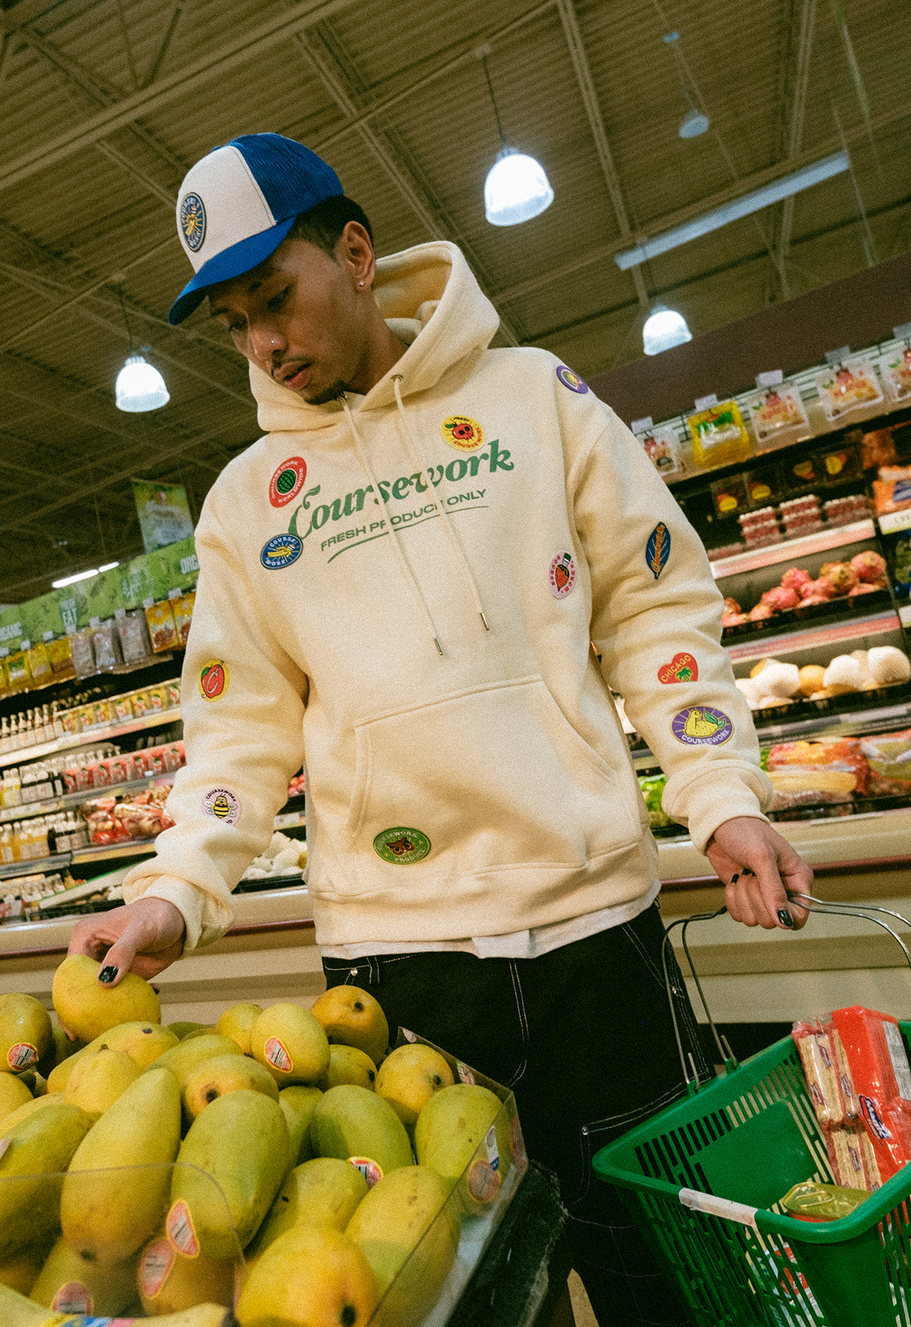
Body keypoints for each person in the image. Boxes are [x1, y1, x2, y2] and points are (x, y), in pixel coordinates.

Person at [68, 133, 814, 1324]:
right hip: (397, 967)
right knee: (461, 1299)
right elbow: (237, 733)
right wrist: (179, 886)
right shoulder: (243, 506)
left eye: (277, 298)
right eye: (234, 325)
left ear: (355, 255)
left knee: (662, 1275)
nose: (264, 342)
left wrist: (717, 793)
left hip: (591, 934)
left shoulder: (534, 399)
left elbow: (653, 605)